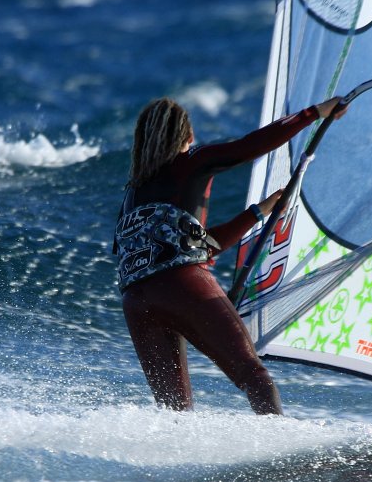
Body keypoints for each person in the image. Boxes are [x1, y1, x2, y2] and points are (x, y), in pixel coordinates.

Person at [115, 95, 346, 415]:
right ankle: (279, 454)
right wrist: (313, 113)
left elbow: (201, 246)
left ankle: (178, 461)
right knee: (255, 377)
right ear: (188, 137)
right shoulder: (190, 162)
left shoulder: (132, 195)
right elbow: (248, 147)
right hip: (182, 285)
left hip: (137, 303)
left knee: (174, 409)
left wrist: (258, 212)